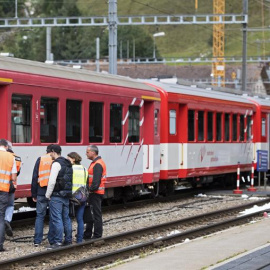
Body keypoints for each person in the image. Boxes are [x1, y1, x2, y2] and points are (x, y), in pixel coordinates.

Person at [45, 145, 73, 249]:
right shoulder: (68, 163)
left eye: (50, 153)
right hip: (66, 195)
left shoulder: (56, 164)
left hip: (56, 195)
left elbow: (52, 181)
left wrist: (48, 195)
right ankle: (68, 240)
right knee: (66, 218)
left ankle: (57, 242)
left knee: (56, 219)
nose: (49, 155)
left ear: (53, 152)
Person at [31, 144, 54, 247]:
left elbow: (35, 177)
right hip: (53, 193)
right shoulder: (56, 160)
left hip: (41, 192)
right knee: (53, 216)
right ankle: (52, 239)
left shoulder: (41, 159)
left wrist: (34, 193)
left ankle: (37, 241)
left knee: (40, 216)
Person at [84, 145, 107, 239]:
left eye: (88, 152)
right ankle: (88, 233)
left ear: (93, 152)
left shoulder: (97, 164)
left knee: (96, 214)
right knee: (92, 213)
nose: (86, 154)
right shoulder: (96, 163)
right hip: (95, 192)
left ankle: (97, 234)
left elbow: (96, 181)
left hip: (95, 193)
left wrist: (89, 190)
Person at [67, 152, 88, 243]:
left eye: (68, 159)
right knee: (80, 219)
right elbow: (86, 182)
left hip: (72, 197)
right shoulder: (84, 169)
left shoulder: (70, 169)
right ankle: (79, 239)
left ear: (73, 159)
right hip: (82, 197)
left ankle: (69, 239)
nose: (67, 160)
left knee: (69, 219)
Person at [0, 139, 17, 251]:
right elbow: (14, 177)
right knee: (1, 217)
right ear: (6, 146)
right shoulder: (11, 157)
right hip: (3, 190)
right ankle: (0, 245)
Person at [4, 141, 22, 237]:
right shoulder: (17, 158)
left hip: (2, 185)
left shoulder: (4, 156)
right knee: (10, 205)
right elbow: (17, 173)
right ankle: (7, 220)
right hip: (12, 186)